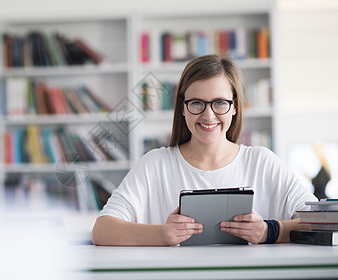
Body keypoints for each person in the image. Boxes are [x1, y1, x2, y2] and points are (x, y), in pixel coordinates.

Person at [91, 54, 317, 246]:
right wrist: (161, 234)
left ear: (235, 106)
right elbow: (102, 230)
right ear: (182, 108)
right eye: (197, 103)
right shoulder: (154, 165)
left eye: (219, 102)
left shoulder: (262, 162)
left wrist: (269, 231)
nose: (208, 115)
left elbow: (320, 222)